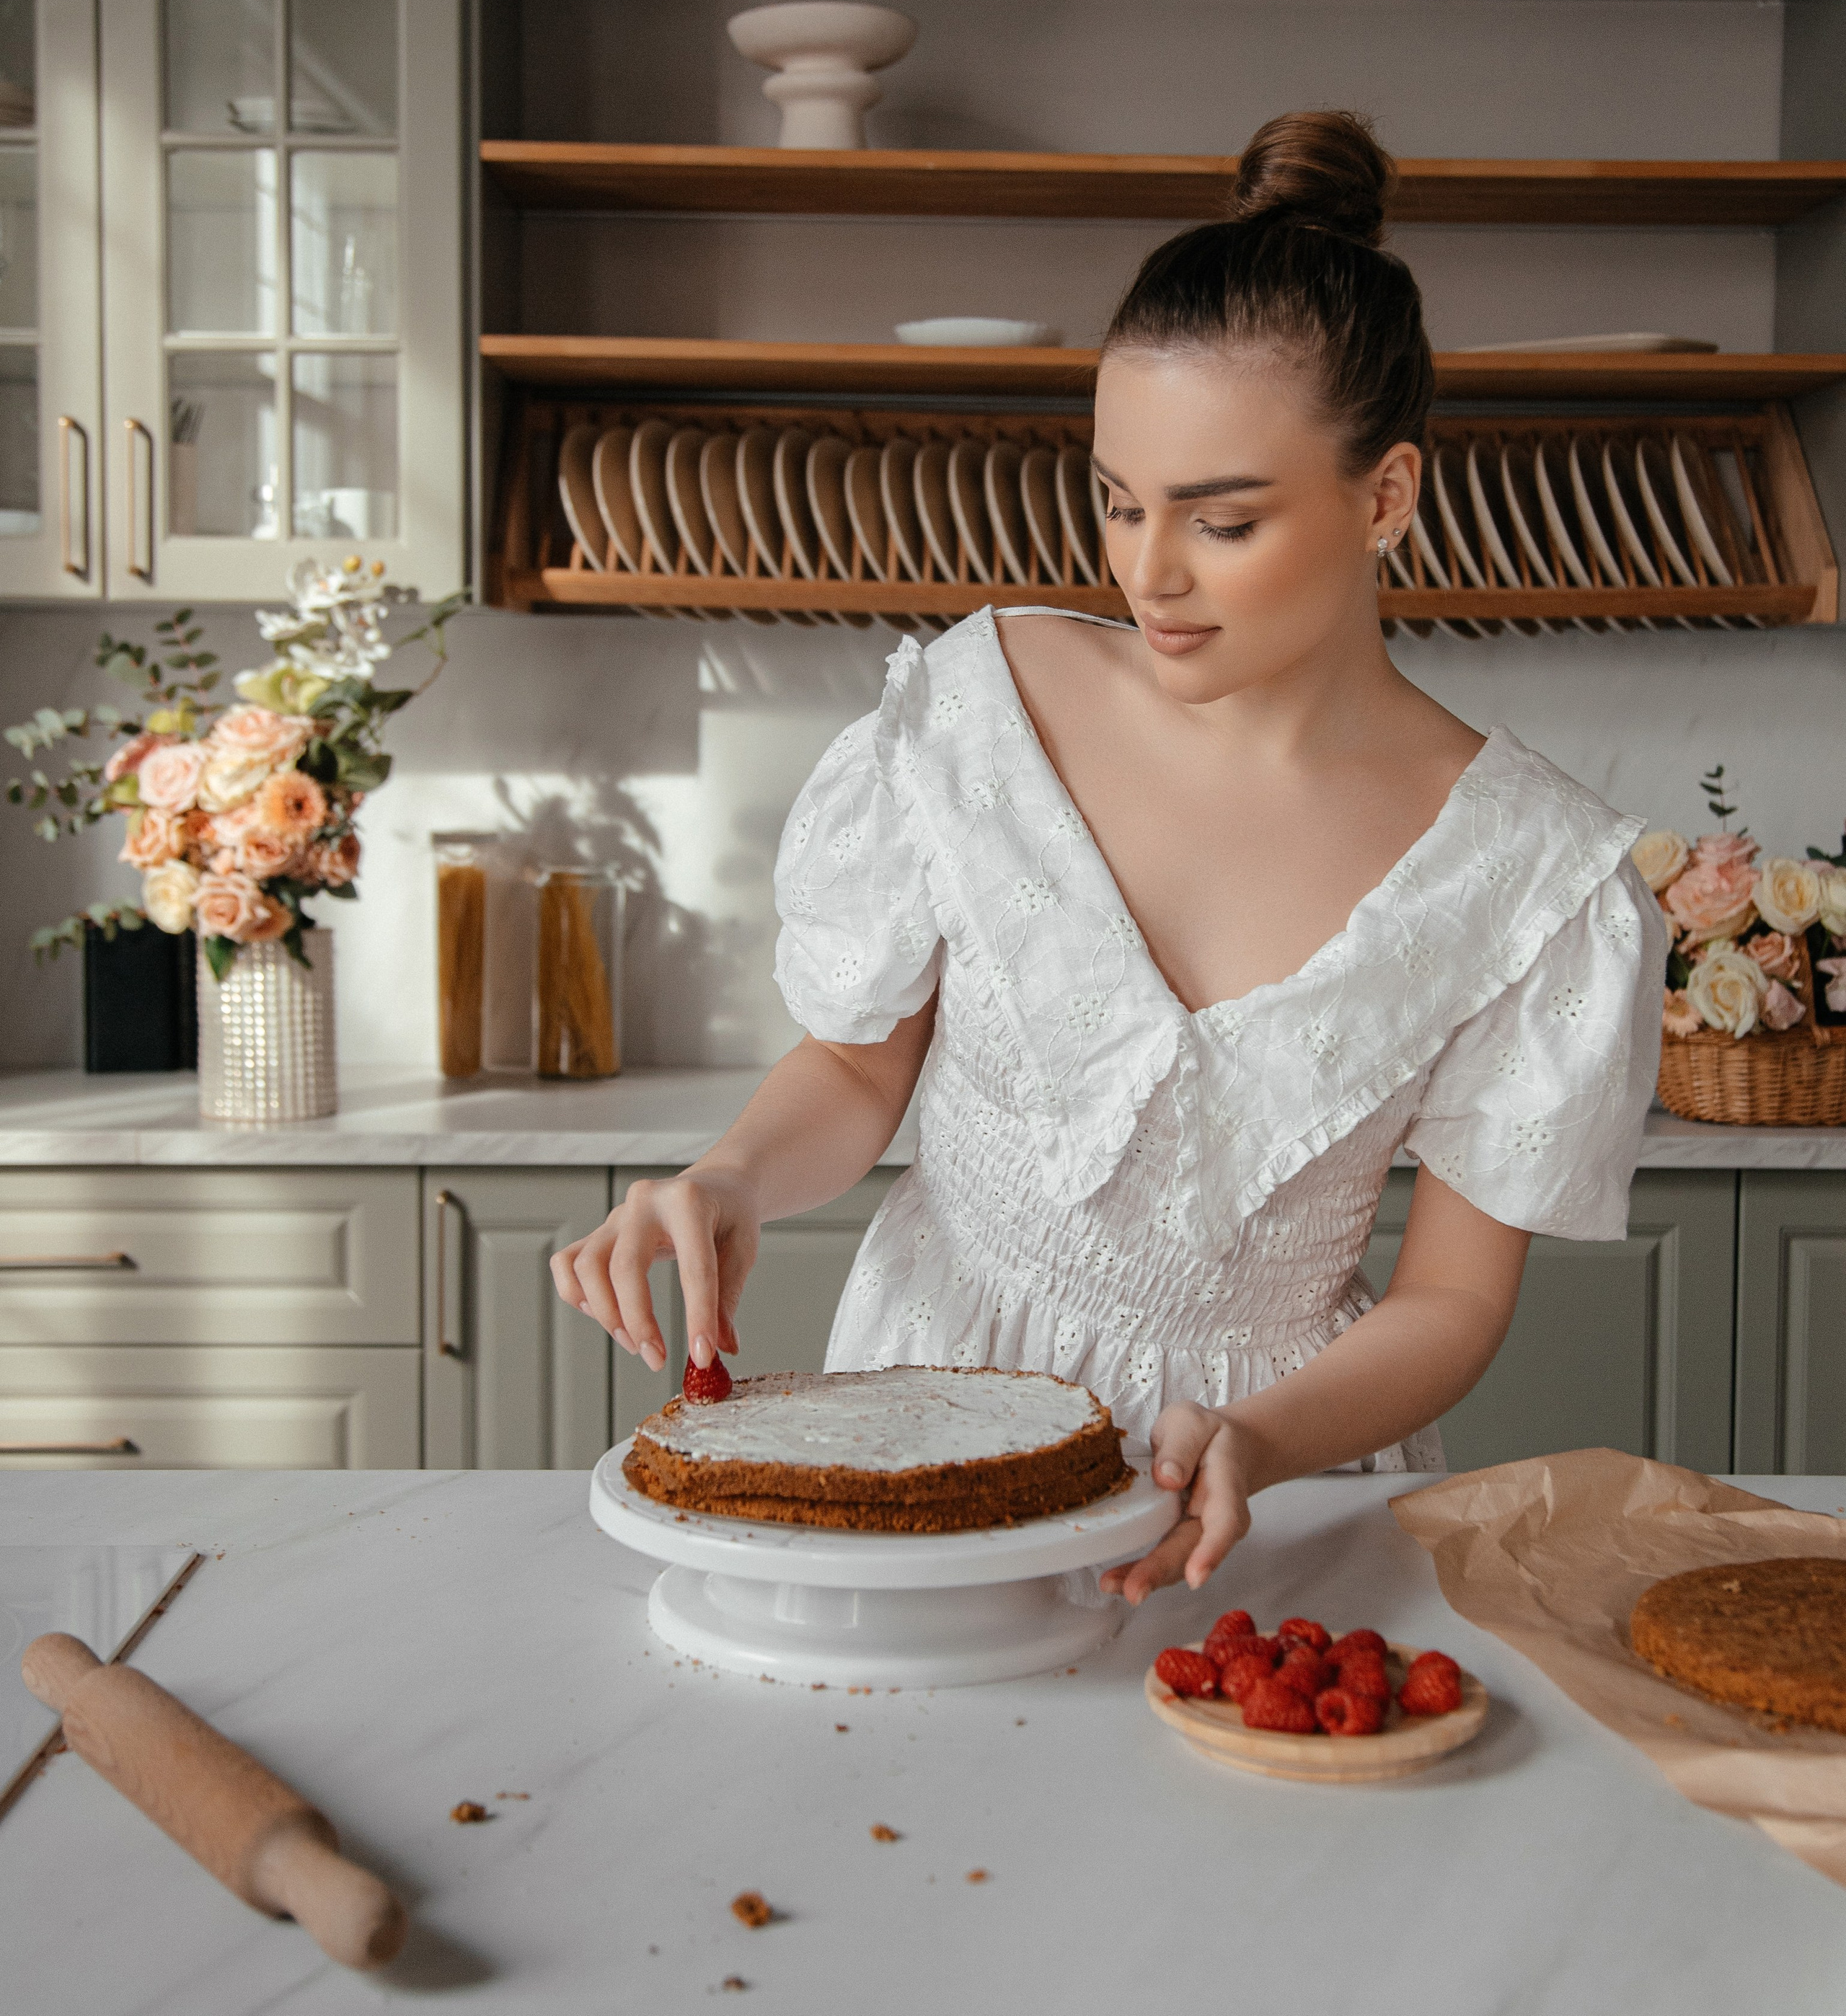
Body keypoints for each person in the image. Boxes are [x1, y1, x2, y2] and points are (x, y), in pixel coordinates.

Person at [552, 109, 1666, 1601]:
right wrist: (734, 1176)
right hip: (924, 1410)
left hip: (1275, 1485)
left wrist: (1257, 1440)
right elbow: (856, 1068)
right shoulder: (980, 706)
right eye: (1116, 499)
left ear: (1385, 495)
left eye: (1221, 520)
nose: (1146, 572)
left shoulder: (1535, 875)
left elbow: (1451, 1300)